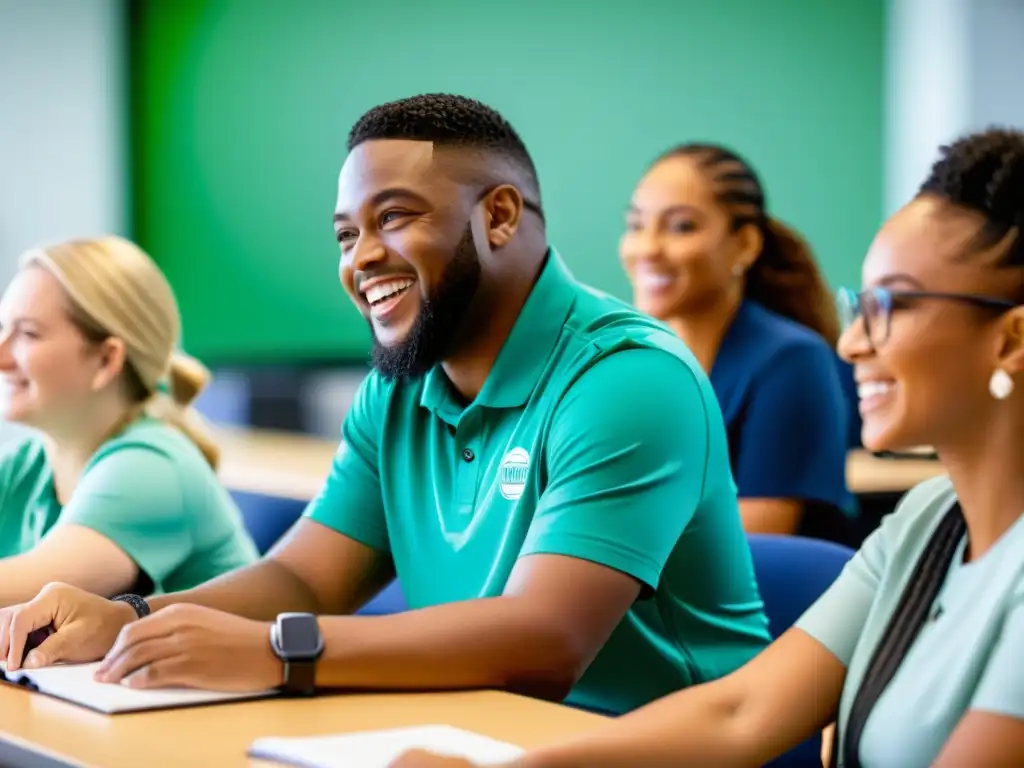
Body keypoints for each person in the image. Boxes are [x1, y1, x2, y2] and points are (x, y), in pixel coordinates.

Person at [0, 94, 770, 714]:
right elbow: (306, 581)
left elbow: (546, 639)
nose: (361, 258)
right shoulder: (399, 387)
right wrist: (134, 619)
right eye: (345, 234)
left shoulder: (628, 379)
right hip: (471, 735)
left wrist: (278, 650)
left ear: (499, 217)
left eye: (394, 217)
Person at [389, 127, 1024, 767]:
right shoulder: (926, 524)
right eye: (858, 306)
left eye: (893, 304)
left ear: (1011, 340)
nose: (853, 343)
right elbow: (739, 711)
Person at [0, 236, 258, 607]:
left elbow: (36, 596)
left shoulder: (152, 468)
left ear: (106, 360)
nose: (1, 356)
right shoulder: (28, 465)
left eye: (27, 334)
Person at [620, 143, 854, 539]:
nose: (647, 248)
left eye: (681, 226)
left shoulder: (791, 360)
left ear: (745, 245)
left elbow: (759, 544)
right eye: (636, 225)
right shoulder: (634, 360)